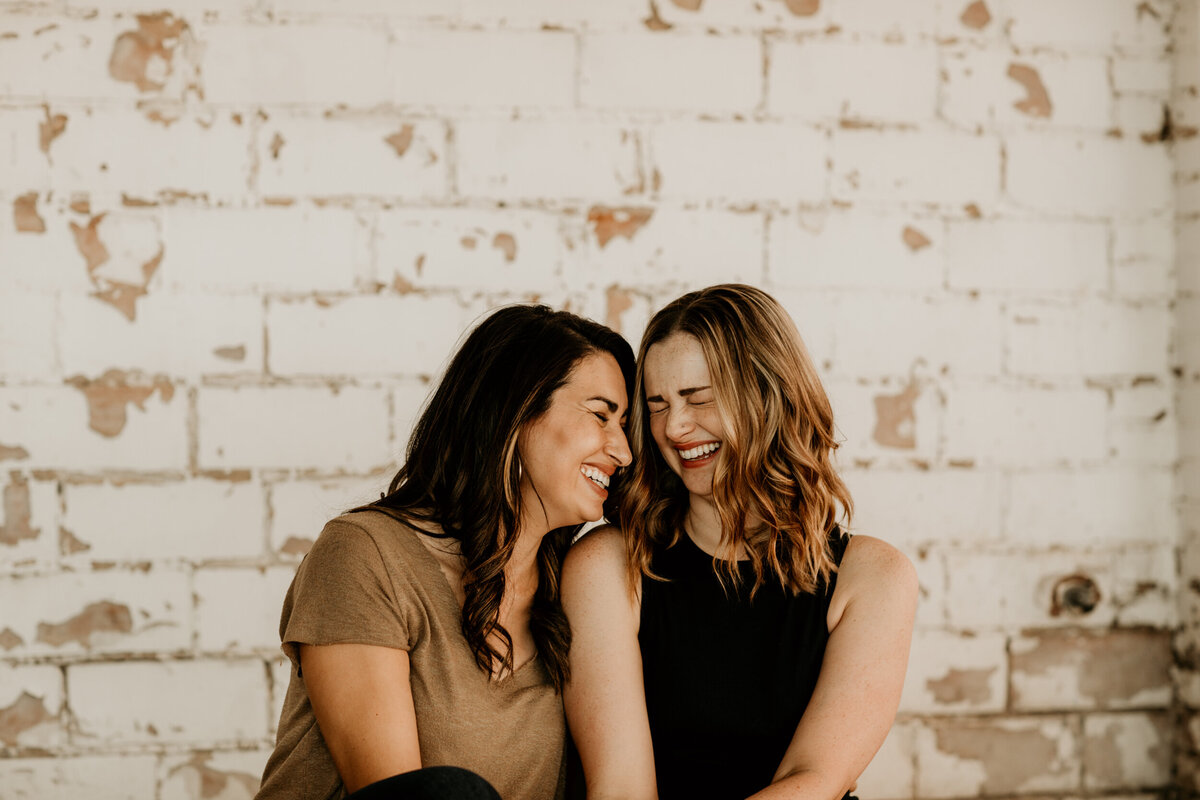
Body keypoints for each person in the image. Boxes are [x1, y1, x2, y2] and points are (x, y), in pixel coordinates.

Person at [256, 305, 635, 800]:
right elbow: (399, 795)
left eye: (625, 424)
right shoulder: (365, 555)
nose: (623, 451)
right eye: (601, 415)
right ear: (516, 411)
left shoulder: (577, 587)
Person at [561, 284, 917, 800]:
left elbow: (814, 782)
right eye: (657, 405)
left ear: (770, 396)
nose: (675, 427)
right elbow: (620, 788)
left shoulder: (875, 576)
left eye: (697, 398)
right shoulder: (609, 564)